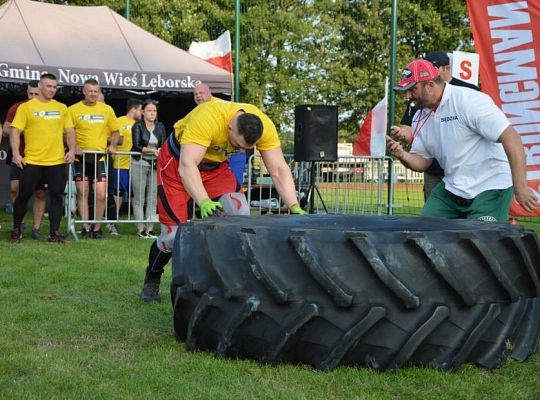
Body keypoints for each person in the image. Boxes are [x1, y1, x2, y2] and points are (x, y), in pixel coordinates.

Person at [139, 100, 307, 302]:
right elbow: (187, 166)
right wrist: (204, 202)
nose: (242, 150)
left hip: (215, 169)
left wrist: (293, 204)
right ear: (229, 128)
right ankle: (152, 278)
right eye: (238, 145)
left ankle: (228, 280)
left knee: (240, 215)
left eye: (248, 148)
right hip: (177, 165)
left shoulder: (264, 125)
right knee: (173, 236)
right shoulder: (207, 117)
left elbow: (278, 168)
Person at [386, 59, 539, 221]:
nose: (408, 96)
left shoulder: (469, 101)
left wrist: (520, 186)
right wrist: (402, 155)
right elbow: (423, 161)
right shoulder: (418, 117)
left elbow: (511, 137)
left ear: (430, 85)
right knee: (424, 234)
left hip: (491, 187)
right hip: (453, 188)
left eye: (413, 89)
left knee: (482, 243)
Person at [391, 51, 480, 200]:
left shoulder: (468, 92)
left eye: (433, 67)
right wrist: (402, 135)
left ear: (446, 68)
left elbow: (499, 133)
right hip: (433, 170)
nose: (428, 70)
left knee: (468, 220)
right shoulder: (419, 98)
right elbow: (410, 129)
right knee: (432, 220)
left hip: (467, 175)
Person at [9, 73, 76, 243]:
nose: (52, 90)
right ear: (40, 87)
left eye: (54, 87)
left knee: (56, 197)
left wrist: (72, 150)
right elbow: (15, 130)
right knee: (23, 196)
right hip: (32, 161)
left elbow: (69, 131)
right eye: (48, 86)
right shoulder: (26, 107)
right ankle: (17, 230)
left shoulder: (62, 108)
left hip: (56, 161)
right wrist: (16, 153)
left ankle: (54, 233)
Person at [69, 79, 120, 239]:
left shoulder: (107, 109)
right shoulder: (73, 109)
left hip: (100, 158)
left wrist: (112, 145)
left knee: (100, 194)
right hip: (80, 157)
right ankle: (85, 227)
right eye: (90, 91)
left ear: (99, 93)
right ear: (84, 91)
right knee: (82, 192)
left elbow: (116, 131)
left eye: (95, 91)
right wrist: (74, 146)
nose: (92, 94)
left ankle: (97, 228)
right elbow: (67, 132)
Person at [2, 80, 47, 239]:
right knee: (15, 189)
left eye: (36, 93)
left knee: (40, 193)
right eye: (30, 93)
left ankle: (36, 228)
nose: (33, 97)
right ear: (27, 93)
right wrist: (20, 130)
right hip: (19, 155)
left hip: (40, 157)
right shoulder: (18, 107)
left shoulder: (48, 108)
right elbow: (6, 128)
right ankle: (18, 224)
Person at [192, 82, 247, 185]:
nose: (198, 96)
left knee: (233, 189)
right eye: (195, 94)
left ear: (210, 94)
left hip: (232, 154)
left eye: (201, 93)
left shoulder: (218, 106)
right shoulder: (200, 111)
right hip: (218, 155)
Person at [131, 99, 166, 238]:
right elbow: (137, 145)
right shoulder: (137, 126)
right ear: (143, 112)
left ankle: (149, 229)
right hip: (140, 162)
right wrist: (151, 150)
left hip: (155, 164)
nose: (152, 113)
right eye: (149, 110)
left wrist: (158, 151)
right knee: (139, 197)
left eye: (154, 111)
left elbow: (163, 143)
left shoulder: (160, 126)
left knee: (152, 197)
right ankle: (140, 228)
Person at [110, 98, 144, 234]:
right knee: (118, 194)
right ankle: (112, 223)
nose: (142, 113)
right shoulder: (119, 121)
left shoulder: (141, 124)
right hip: (120, 164)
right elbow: (116, 139)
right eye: (141, 110)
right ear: (134, 109)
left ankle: (139, 226)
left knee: (135, 196)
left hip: (136, 165)